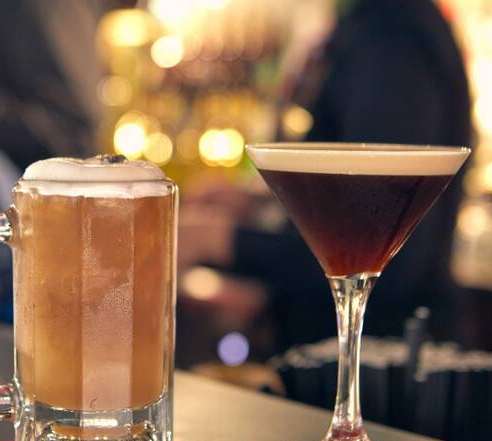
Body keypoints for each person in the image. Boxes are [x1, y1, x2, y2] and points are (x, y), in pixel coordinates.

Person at [180, 0, 472, 350]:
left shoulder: (392, 40)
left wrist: (222, 239)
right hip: (348, 347)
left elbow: (372, 243)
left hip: (383, 359)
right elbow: (345, 199)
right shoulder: (371, 25)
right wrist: (259, 204)